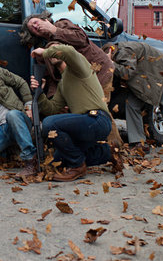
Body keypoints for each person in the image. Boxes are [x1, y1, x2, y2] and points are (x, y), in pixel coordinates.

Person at [20, 13, 122, 147]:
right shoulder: (43, 49)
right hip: (74, 80)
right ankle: (91, 150)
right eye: (32, 28)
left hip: (98, 70)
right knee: (80, 114)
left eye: (35, 21)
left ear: (44, 19)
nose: (35, 26)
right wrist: (56, 98)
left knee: (97, 110)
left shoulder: (61, 24)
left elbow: (81, 39)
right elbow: (52, 78)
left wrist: (53, 30)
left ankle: (113, 149)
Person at [30, 43, 119, 182]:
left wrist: (46, 51)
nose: (53, 52)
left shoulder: (79, 66)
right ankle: (107, 152)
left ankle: (78, 167)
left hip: (97, 119)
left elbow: (68, 51)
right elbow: (52, 108)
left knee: (49, 124)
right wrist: (39, 92)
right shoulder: (62, 83)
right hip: (84, 124)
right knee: (58, 159)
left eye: (55, 47)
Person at [104, 41, 163, 161]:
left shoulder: (123, 51)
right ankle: (138, 143)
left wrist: (110, 64)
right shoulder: (119, 52)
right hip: (148, 80)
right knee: (131, 105)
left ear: (110, 51)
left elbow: (127, 73)